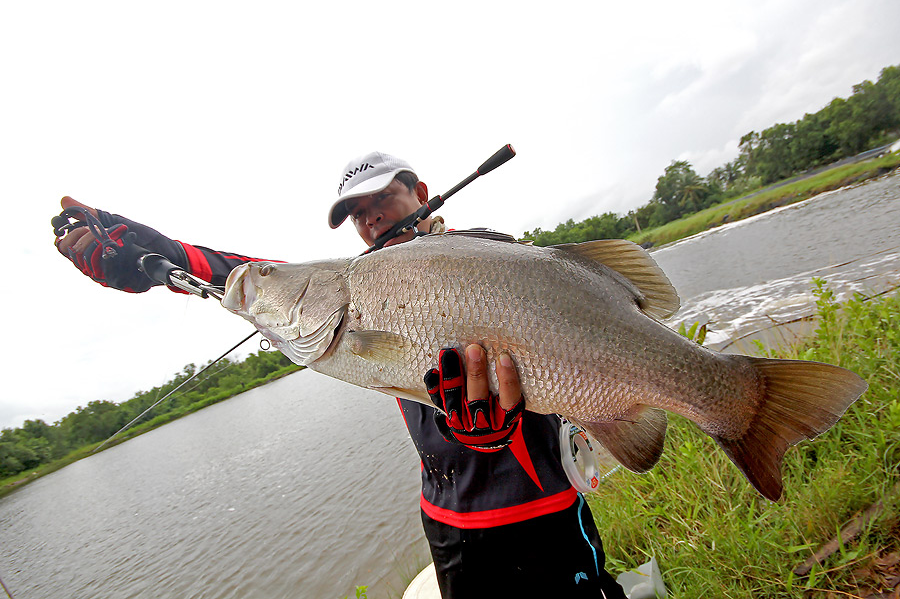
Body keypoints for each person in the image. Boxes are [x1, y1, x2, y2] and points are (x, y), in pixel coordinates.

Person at [55, 151, 627, 599]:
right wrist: (151, 255)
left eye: (383, 198)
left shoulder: (492, 263)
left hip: (542, 512)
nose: (371, 216)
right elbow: (250, 280)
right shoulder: (352, 290)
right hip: (449, 526)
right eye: (357, 212)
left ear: (421, 194)